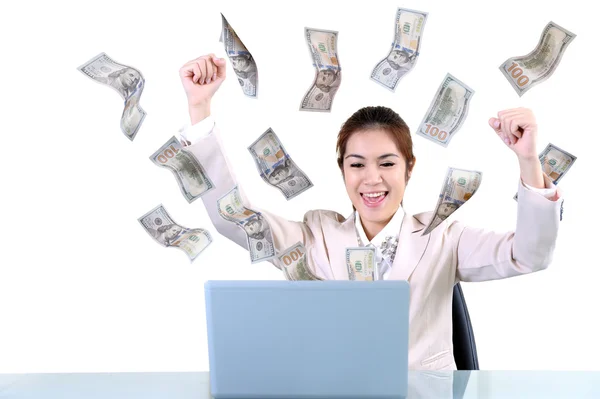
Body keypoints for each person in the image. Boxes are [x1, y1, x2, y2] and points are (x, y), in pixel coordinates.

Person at [176, 54, 563, 370]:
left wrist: (528, 160)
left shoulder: (446, 237)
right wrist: (200, 109)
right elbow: (236, 217)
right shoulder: (316, 237)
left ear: (410, 168)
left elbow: (530, 255)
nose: (371, 179)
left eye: (387, 163)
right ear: (342, 170)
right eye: (357, 164)